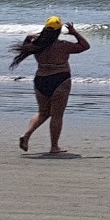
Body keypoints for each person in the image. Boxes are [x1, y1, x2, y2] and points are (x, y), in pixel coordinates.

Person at [11, 15, 91, 154]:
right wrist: (74, 32)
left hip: (41, 80)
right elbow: (85, 46)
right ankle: (54, 146)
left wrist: (32, 36)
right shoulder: (63, 46)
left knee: (43, 112)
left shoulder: (36, 44)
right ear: (59, 30)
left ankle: (26, 135)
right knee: (57, 115)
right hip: (60, 80)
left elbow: (27, 42)